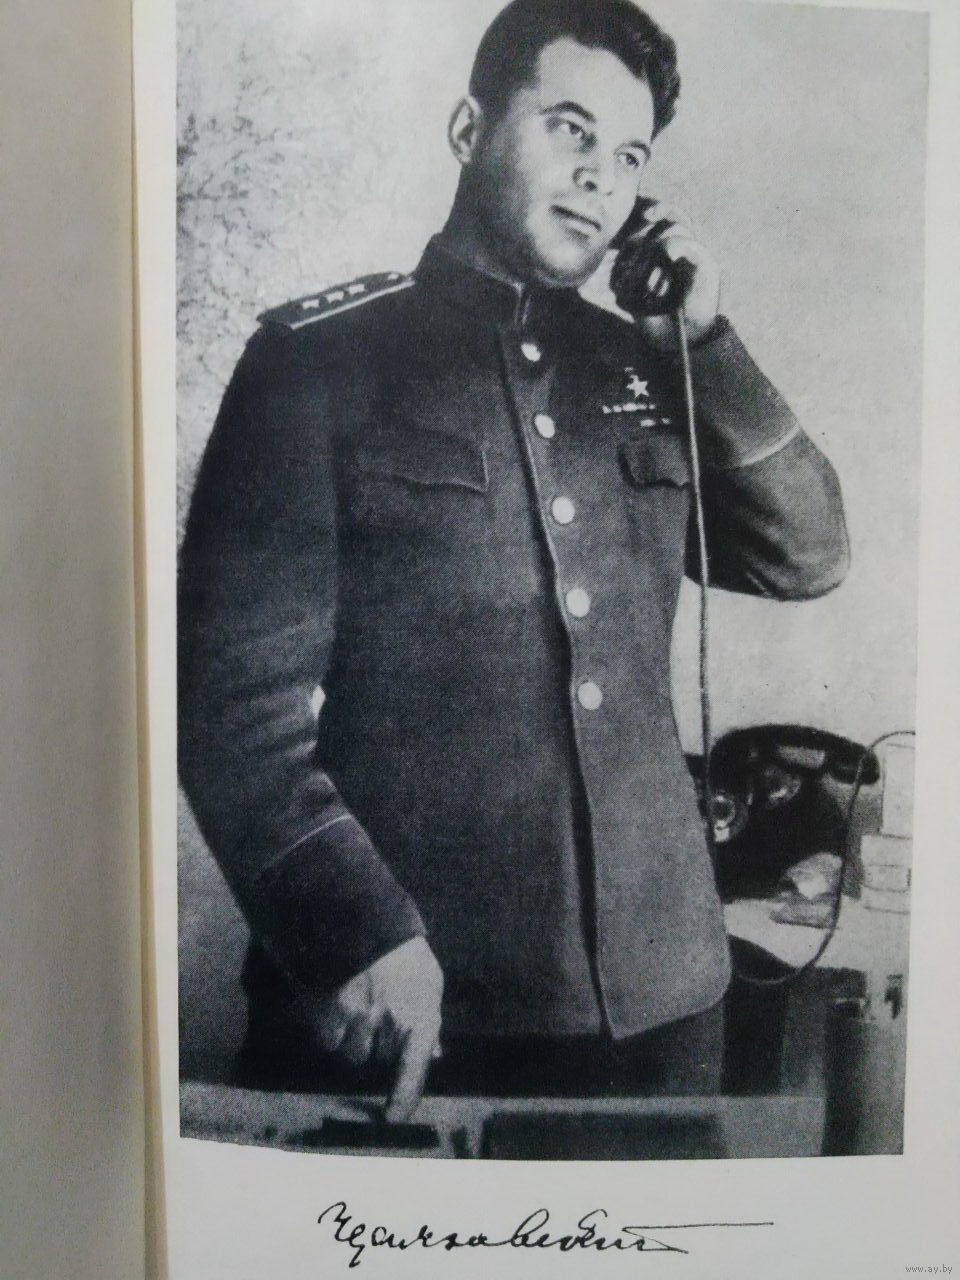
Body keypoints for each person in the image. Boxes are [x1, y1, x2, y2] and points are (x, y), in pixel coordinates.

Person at [178, 0, 849, 1122]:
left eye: (628, 155)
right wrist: (354, 932)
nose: (600, 177)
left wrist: (707, 344)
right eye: (570, 129)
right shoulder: (317, 365)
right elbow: (227, 705)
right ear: (468, 128)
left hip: (665, 1011)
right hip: (415, 1004)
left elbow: (809, 553)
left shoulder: (646, 368)